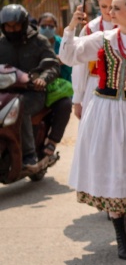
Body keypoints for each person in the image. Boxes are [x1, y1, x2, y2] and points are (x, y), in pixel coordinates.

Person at [60, 0, 126, 260]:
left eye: (116, 8)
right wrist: (72, 24)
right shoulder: (102, 39)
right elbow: (69, 56)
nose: (110, 12)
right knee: (114, 168)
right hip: (105, 114)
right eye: (109, 8)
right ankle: (121, 238)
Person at [0, 4, 60, 173]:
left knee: (21, 108)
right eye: (8, 26)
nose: (12, 30)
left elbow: (53, 65)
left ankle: (29, 155)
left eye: (16, 25)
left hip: (33, 94)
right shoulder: (1, 44)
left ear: (24, 24)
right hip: (5, 94)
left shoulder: (38, 42)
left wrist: (42, 78)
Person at [68, 0, 120, 122]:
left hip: (119, 85)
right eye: (104, 7)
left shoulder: (125, 26)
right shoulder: (91, 28)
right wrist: (78, 99)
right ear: (98, 3)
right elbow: (80, 65)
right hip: (94, 84)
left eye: (112, 7)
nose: (108, 11)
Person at [35, 13, 73, 160]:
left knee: (65, 104)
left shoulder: (63, 44)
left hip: (57, 88)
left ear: (56, 28)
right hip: (34, 85)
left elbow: (70, 68)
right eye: (43, 26)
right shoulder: (33, 43)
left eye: (50, 26)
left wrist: (62, 62)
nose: (46, 29)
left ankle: (52, 141)